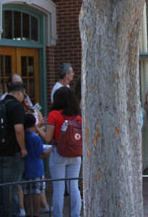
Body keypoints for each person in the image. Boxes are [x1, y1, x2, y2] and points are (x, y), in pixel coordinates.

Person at [45, 87, 82, 217]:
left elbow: (48, 138)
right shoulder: (78, 117)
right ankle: (75, 214)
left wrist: (38, 130)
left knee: (58, 189)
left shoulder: (53, 115)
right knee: (74, 186)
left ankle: (58, 215)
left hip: (58, 153)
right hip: (76, 153)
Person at [0, 81, 28, 217]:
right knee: (12, 187)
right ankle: (13, 213)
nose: (24, 97)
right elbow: (19, 130)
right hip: (12, 153)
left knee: (0, 186)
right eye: (23, 94)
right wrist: (23, 148)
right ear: (19, 92)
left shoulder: (0, 104)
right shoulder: (16, 107)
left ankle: (1, 213)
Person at [23, 114, 53, 217]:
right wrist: (49, 152)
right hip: (36, 168)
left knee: (26, 193)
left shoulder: (22, 136)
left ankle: (28, 213)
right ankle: (36, 213)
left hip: (25, 168)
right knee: (36, 192)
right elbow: (40, 154)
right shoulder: (36, 138)